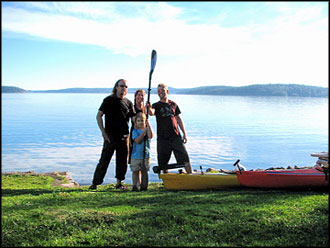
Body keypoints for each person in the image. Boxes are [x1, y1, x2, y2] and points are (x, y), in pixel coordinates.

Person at [89, 79, 135, 190]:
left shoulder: (128, 103)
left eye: (126, 86)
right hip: (110, 137)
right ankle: (95, 183)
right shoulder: (108, 100)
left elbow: (134, 118)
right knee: (104, 160)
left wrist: (144, 112)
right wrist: (103, 132)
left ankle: (119, 183)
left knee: (122, 161)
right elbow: (99, 116)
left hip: (124, 137)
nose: (124, 88)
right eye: (122, 86)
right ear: (116, 87)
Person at [148, 83, 192, 174]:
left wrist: (184, 133)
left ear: (167, 91)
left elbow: (178, 119)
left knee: (185, 158)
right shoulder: (156, 105)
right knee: (163, 162)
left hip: (176, 136)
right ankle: (166, 179)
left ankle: (190, 176)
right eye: (159, 91)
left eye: (163, 90)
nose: (161, 92)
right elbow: (151, 113)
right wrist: (148, 107)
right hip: (163, 139)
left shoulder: (173, 104)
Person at [130, 112, 153, 191]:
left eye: (142, 121)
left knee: (145, 171)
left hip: (146, 155)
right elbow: (138, 141)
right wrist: (143, 133)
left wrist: (148, 126)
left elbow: (151, 136)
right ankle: (135, 185)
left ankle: (144, 186)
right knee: (135, 171)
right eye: (139, 121)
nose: (140, 122)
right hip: (136, 155)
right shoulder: (135, 131)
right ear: (136, 122)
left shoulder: (147, 130)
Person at [128, 89, 147, 185]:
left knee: (142, 156)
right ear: (135, 96)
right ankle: (137, 183)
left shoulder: (145, 108)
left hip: (144, 132)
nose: (140, 97)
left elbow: (151, 113)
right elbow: (133, 119)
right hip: (135, 133)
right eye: (138, 95)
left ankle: (141, 183)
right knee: (135, 157)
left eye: (142, 95)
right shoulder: (133, 108)